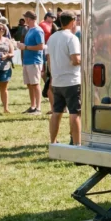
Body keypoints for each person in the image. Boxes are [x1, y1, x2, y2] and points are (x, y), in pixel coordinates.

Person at [46, 11, 82, 145]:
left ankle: (53, 142)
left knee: (56, 112)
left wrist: (52, 76)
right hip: (72, 81)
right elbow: (75, 60)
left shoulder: (52, 38)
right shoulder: (72, 38)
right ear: (73, 21)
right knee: (75, 113)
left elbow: (49, 60)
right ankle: (77, 144)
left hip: (57, 81)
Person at [20, 11, 46, 115]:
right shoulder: (29, 30)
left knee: (35, 84)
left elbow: (41, 46)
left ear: (29, 19)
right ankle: (32, 106)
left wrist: (25, 47)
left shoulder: (38, 30)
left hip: (34, 61)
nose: (25, 20)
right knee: (30, 85)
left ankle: (38, 108)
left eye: (25, 18)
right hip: (27, 61)